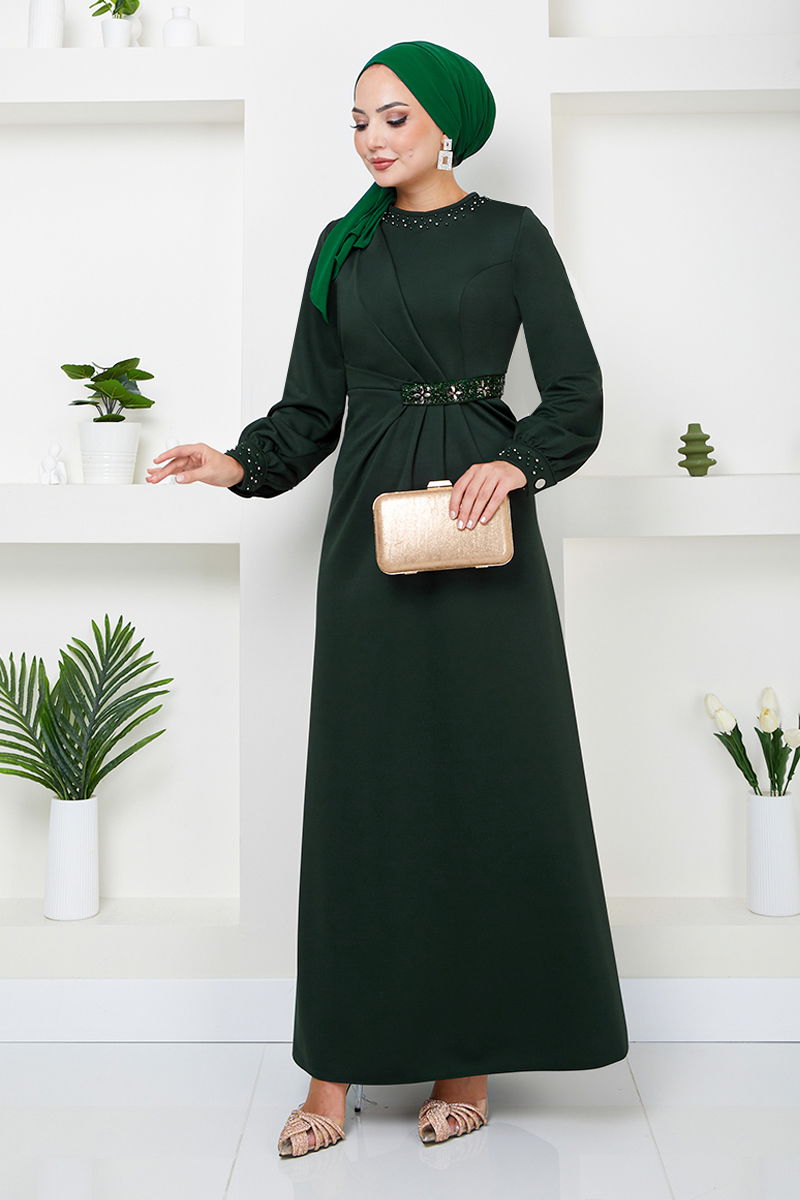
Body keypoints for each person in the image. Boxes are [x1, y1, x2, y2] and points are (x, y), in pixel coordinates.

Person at [146, 39, 629, 1158]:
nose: (371, 138)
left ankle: (465, 1063)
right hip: (369, 535)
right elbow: (309, 407)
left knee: (484, 786)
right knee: (365, 793)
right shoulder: (343, 244)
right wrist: (236, 461)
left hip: (479, 528)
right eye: (358, 120)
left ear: (446, 123)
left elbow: (575, 391)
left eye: (394, 117)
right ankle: (333, 1074)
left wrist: (516, 461)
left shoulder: (513, 235)